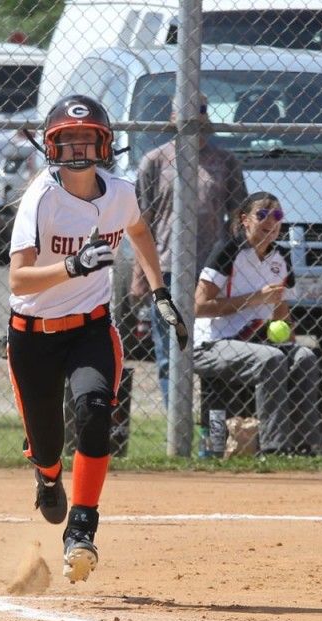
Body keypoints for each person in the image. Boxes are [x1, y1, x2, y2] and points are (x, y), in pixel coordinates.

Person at [8, 95, 186, 583]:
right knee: (48, 446)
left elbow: (139, 231)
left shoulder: (120, 192)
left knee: (94, 411)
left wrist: (160, 291)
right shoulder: (40, 198)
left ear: (105, 144)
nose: (77, 149)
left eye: (87, 139)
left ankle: (82, 529)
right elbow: (18, 280)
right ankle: (45, 475)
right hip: (33, 335)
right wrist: (72, 265)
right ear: (51, 147)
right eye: (67, 141)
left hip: (90, 325)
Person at [133, 94, 247, 404]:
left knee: (213, 345)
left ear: (205, 117)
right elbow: (141, 224)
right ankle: (176, 419)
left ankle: (211, 421)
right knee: (170, 346)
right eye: (183, 113)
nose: (191, 120)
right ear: (172, 117)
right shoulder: (154, 161)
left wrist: (236, 263)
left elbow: (239, 218)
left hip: (211, 270)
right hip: (167, 268)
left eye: (197, 113)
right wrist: (140, 274)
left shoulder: (224, 162)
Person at [193, 192, 322, 455]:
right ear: (245, 220)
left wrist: (291, 344)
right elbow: (198, 307)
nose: (270, 221)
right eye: (262, 214)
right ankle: (274, 449)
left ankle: (303, 447)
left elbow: (281, 308)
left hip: (257, 342)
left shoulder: (281, 258)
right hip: (212, 343)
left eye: (277, 216)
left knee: (305, 357)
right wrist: (254, 299)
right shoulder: (229, 251)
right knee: (271, 359)